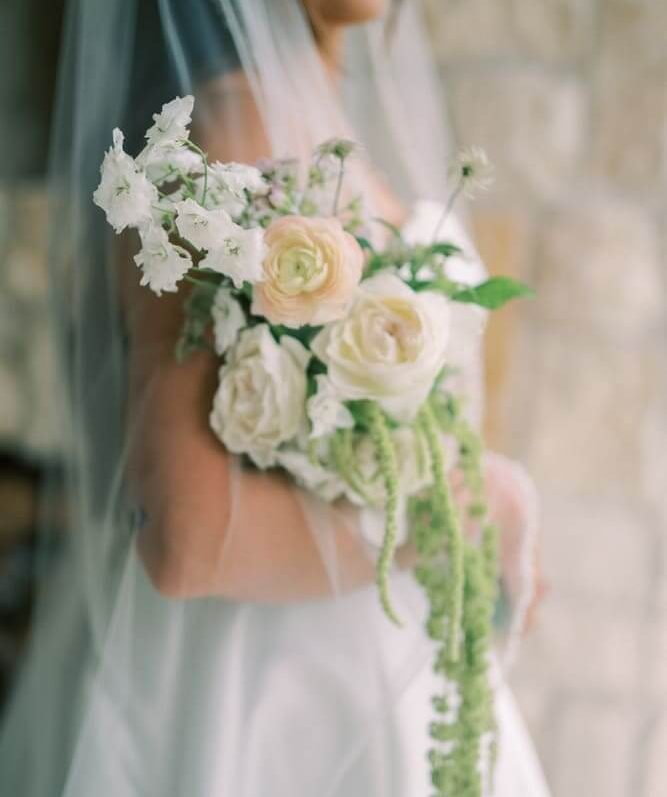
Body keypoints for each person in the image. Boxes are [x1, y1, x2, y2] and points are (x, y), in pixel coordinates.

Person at [0, 1, 549, 795]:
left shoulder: (313, 123)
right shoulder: (215, 145)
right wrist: (459, 512)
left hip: (363, 690)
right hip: (256, 710)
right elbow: (186, 539)